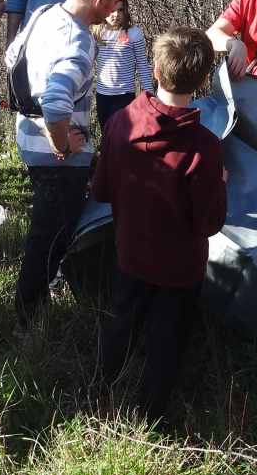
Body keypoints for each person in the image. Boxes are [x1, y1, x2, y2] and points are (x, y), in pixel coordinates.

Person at [91, 27, 227, 424]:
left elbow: (101, 189)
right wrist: (219, 184)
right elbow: (210, 222)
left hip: (129, 253)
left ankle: (101, 391)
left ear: (154, 70)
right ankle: (151, 418)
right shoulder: (204, 147)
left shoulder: (120, 123)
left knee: (122, 322)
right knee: (167, 342)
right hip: (179, 270)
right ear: (202, 81)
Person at [6, 0, 130, 331]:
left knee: (49, 228)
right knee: (50, 236)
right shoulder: (79, 41)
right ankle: (28, 318)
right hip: (56, 157)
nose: (115, 9)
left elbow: (13, 58)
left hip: (29, 137)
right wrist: (60, 142)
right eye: (115, 1)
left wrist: (39, 122)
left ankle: (40, 299)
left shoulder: (45, 13)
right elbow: (57, 99)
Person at [92, 0, 154, 134]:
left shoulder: (133, 33)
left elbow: (142, 65)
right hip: (103, 95)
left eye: (120, 10)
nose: (116, 14)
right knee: (106, 135)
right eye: (112, 10)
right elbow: (89, 61)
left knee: (123, 136)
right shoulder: (97, 32)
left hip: (124, 96)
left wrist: (150, 94)